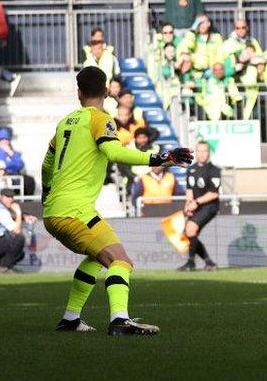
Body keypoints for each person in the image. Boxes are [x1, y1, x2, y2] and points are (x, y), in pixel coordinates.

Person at [40, 66, 193, 335]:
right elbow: (112, 151)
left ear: (79, 92)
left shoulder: (65, 122)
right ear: (107, 91)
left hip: (53, 211)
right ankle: (119, 320)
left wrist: (46, 193)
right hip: (75, 211)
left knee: (97, 257)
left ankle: (70, 319)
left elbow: (47, 164)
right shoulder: (101, 118)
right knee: (121, 261)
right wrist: (160, 158)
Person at [179, 141, 222, 272]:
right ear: (196, 152)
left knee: (190, 229)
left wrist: (196, 203)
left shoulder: (214, 170)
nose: (202, 154)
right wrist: (188, 205)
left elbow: (214, 193)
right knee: (189, 232)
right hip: (196, 206)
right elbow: (189, 190)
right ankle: (209, 262)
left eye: (205, 151)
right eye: (199, 151)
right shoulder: (191, 169)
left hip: (210, 206)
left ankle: (191, 263)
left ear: (209, 153)